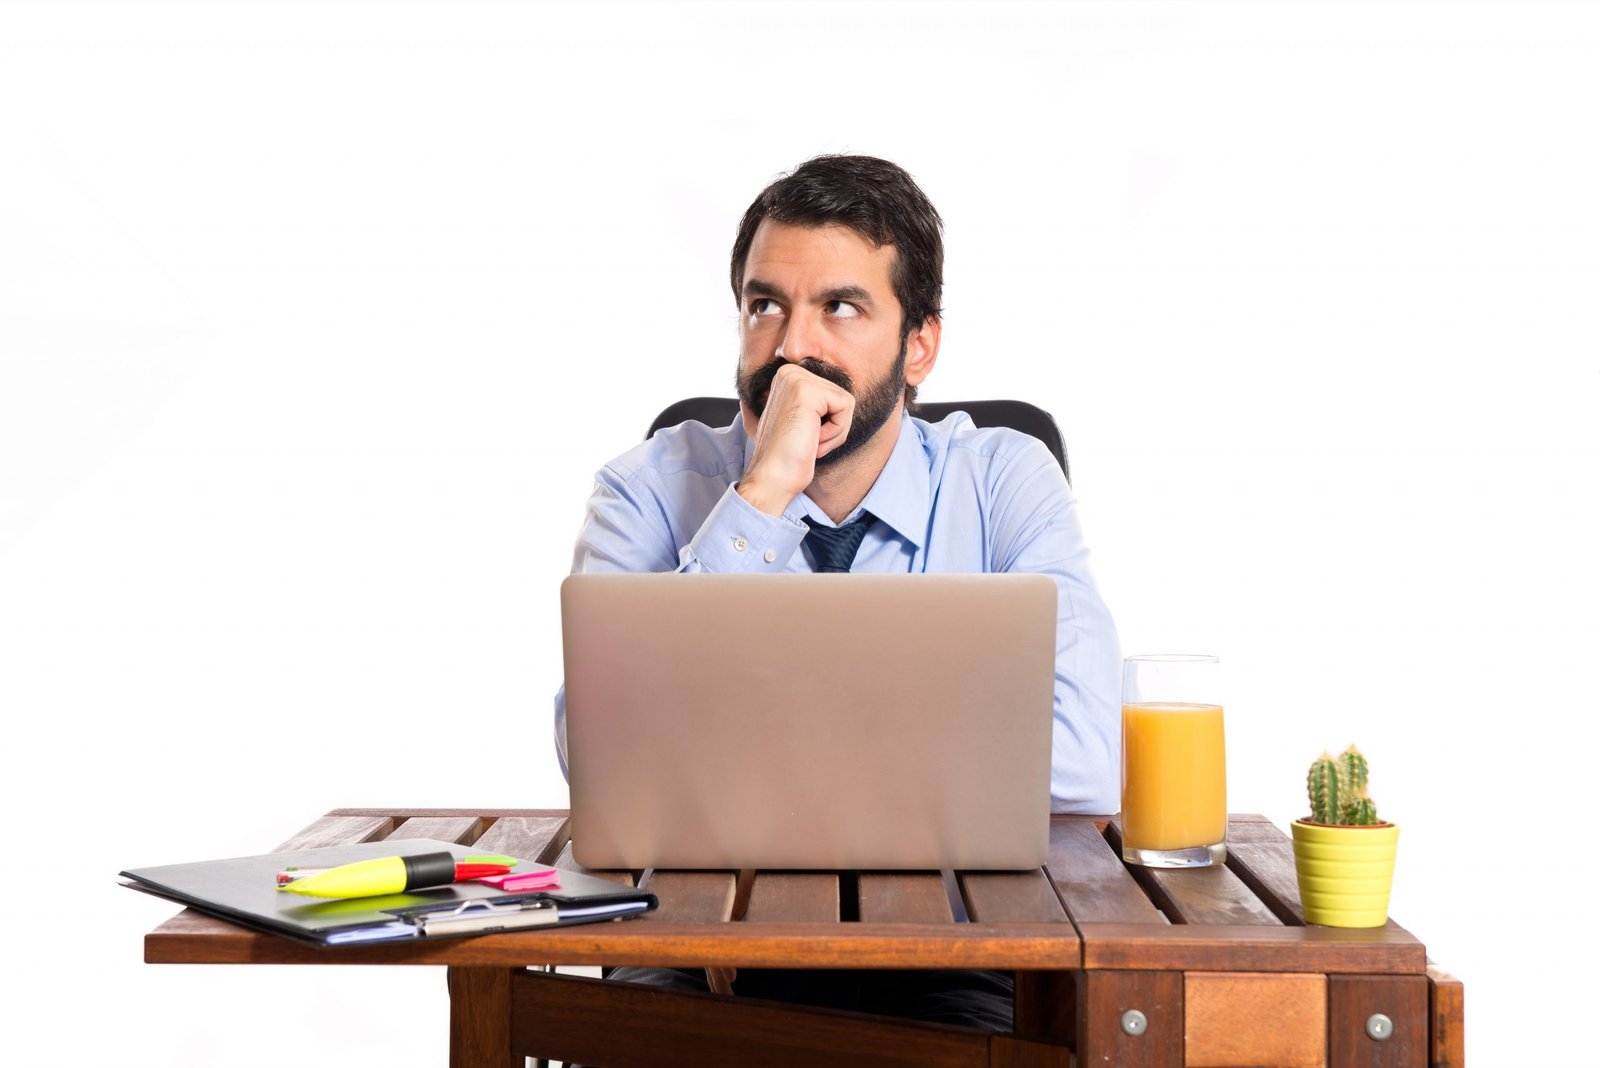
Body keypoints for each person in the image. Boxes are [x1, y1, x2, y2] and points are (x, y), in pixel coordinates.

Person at [553, 154, 1120, 1030]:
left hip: (954, 954)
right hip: (696, 954)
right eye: (764, 304)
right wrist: (763, 496)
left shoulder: (1007, 477)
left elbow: (1084, 760)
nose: (790, 350)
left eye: (840, 308)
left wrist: (737, 758)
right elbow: (600, 755)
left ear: (920, 343)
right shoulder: (646, 488)